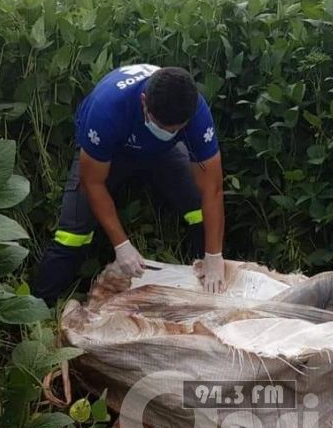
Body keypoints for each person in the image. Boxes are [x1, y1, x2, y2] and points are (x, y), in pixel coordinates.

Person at [33, 64, 225, 305]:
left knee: (200, 211)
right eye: (161, 126)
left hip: (163, 153)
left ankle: (203, 290)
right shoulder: (107, 109)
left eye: (175, 129)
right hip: (110, 151)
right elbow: (92, 182)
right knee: (72, 235)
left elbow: (212, 188)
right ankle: (38, 311)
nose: (167, 131)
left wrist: (214, 255)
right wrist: (121, 244)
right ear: (144, 101)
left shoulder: (194, 110)